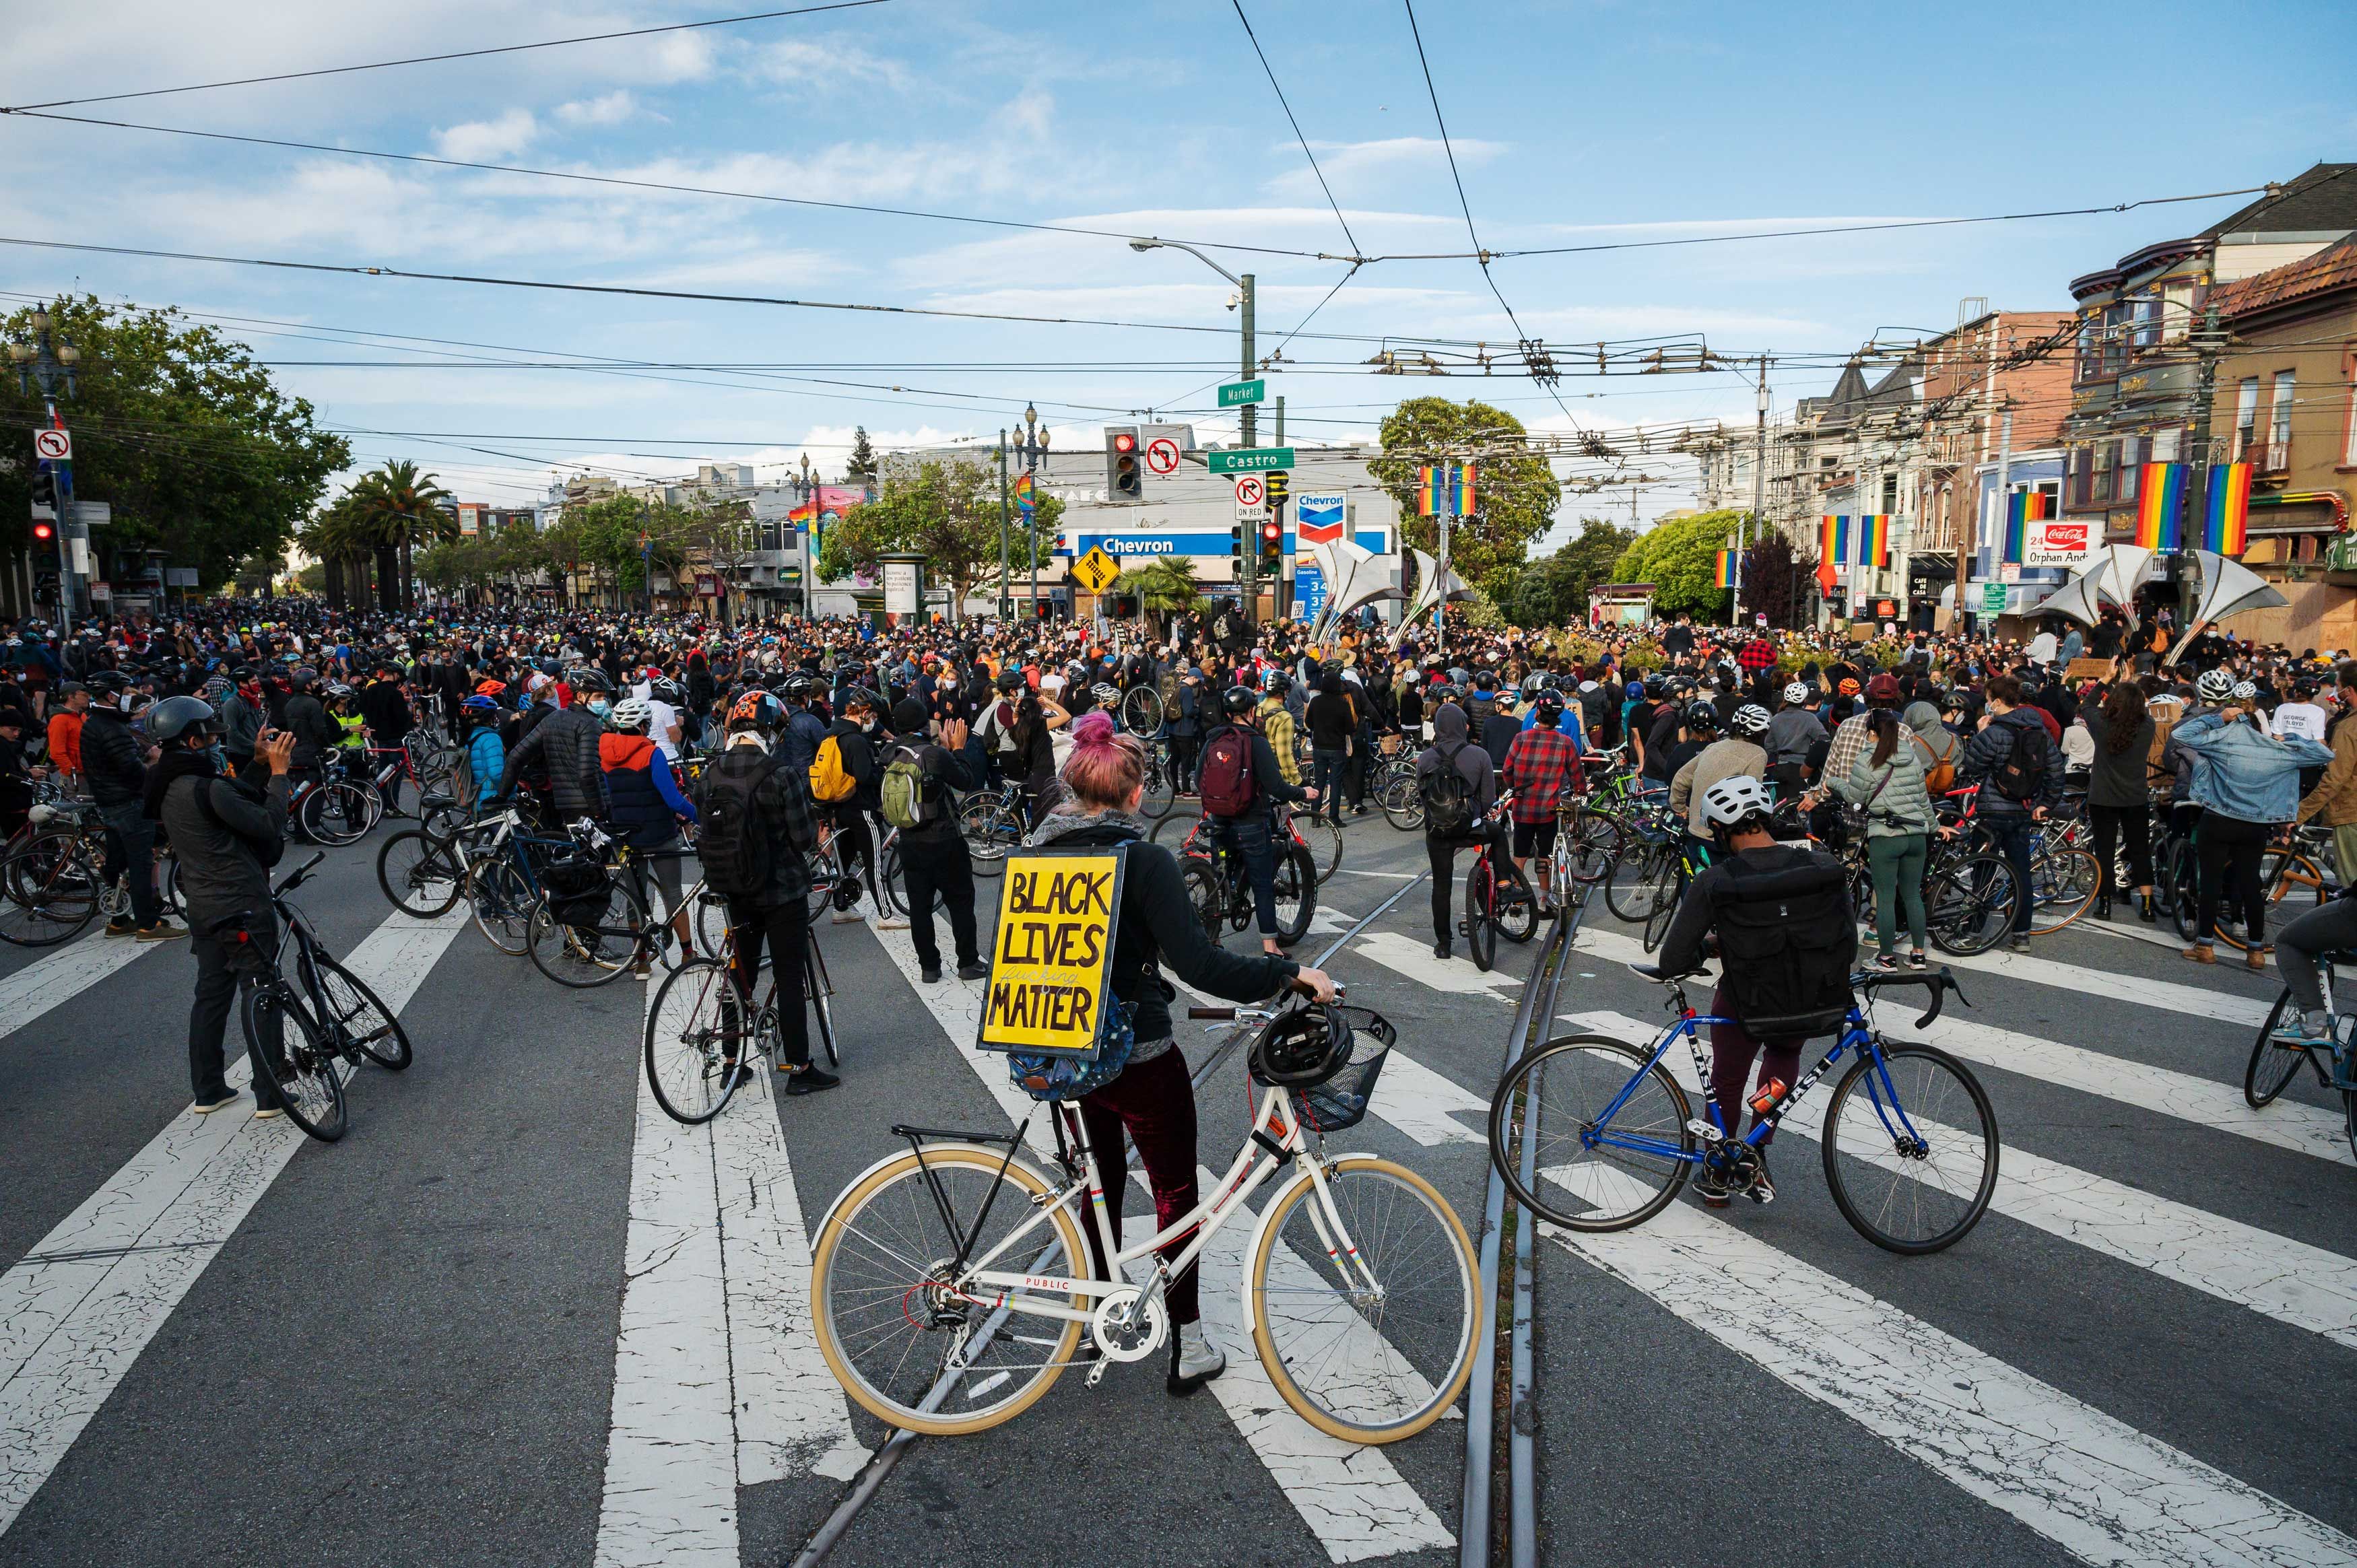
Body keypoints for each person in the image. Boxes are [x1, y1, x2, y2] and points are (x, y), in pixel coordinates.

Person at [1025, 709, 1337, 1394]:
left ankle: (1095, 1306)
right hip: (1134, 1049)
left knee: (1098, 1179)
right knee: (1173, 1191)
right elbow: (1198, 962)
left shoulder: (1039, 847)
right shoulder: (1142, 859)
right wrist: (1285, 973)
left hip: (1058, 1045)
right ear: (1136, 794)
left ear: (1073, 786)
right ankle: (1187, 1340)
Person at [1649, 775, 1856, 1206]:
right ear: (1765, 819)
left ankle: (1718, 1172)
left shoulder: (1717, 879)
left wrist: (1711, 946)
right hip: (1804, 995)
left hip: (1744, 998)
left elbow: (1672, 960)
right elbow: (1846, 941)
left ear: (1722, 832)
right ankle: (1756, 1149)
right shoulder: (1819, 864)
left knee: (1726, 1079)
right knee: (1781, 1066)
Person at [146, 696, 297, 1118]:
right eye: (210, 737)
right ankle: (271, 1094)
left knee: (211, 995)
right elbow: (265, 822)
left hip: (203, 904)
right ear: (193, 740)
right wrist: (280, 774)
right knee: (262, 990)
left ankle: (209, 1089)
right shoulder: (205, 785)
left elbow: (234, 802)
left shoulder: (168, 783)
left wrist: (257, 764)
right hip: (241, 902)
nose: (215, 744)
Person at [695, 691, 834, 1095]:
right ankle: (799, 1068)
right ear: (769, 730)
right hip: (782, 891)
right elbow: (804, 837)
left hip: (733, 888)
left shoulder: (711, 773)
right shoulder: (780, 773)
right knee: (790, 978)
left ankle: (730, 1063)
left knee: (740, 974)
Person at [2169, 685, 2332, 969]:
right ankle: (2256, 951)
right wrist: (2290, 738)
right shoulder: (2278, 751)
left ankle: (2205, 946)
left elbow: (2180, 735)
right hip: (2255, 825)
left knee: (2209, 883)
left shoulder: (2223, 743)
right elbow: (2324, 754)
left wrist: (2219, 718)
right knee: (2249, 885)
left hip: (2218, 819)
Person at [1196, 685, 1315, 957]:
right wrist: (1303, 792)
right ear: (1252, 712)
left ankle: (1213, 939)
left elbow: (1198, 779)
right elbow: (1277, 786)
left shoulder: (1213, 739)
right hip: (1251, 821)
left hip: (1219, 820)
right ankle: (1271, 947)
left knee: (1219, 875)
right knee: (1262, 883)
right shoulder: (1255, 742)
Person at [882, 695, 989, 984]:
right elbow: (965, 781)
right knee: (960, 902)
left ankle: (929, 967)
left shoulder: (889, 754)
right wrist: (958, 749)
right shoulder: (934, 755)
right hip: (944, 839)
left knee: (919, 907)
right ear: (924, 723)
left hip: (909, 841)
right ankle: (967, 962)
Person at [1954, 674, 2063, 953]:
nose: (1988, 705)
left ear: (1998, 702)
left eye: (1990, 700)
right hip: (2024, 810)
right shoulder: (2039, 731)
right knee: (2021, 871)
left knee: (1983, 871)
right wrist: (2046, 803)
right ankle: (2021, 934)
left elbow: (1973, 766)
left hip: (1992, 808)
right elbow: (2055, 771)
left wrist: (1979, 734)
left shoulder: (1994, 731)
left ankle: (1975, 930)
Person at [80, 677, 180, 941]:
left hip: (110, 801)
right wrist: (155, 763)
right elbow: (133, 772)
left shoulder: (96, 723)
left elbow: (120, 761)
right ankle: (148, 924)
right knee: (140, 864)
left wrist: (145, 756)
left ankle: (118, 920)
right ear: (112, 697)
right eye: (126, 693)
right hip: (128, 803)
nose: (130, 698)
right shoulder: (112, 728)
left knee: (117, 862)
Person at [600, 697, 697, 960]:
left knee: (635, 896)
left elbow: (608, 794)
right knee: (672, 892)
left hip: (625, 834)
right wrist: (697, 817)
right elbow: (673, 800)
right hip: (659, 834)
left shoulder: (606, 753)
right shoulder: (652, 754)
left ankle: (641, 959)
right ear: (643, 726)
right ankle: (688, 952)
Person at [1844, 708, 1934, 969]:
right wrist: (1934, 825)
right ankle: (1918, 955)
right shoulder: (1911, 757)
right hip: (1916, 834)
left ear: (1872, 733)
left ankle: (1886, 958)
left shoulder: (1868, 760)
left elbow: (1855, 797)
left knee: (1884, 898)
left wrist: (1836, 785)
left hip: (1886, 834)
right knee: (1912, 895)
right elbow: (1922, 798)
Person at [1416, 698, 1498, 961]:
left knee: (1441, 885)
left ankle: (1444, 943)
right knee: (1497, 834)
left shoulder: (1426, 758)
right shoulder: (1479, 755)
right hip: (1471, 827)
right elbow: (1488, 799)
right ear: (1463, 726)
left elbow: (1422, 797)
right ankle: (1505, 880)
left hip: (1438, 831)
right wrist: (1473, 815)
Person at [2082, 679, 2157, 921]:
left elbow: (2087, 705)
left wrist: (2104, 680)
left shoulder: (2101, 724)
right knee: (2140, 849)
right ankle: (2147, 904)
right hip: (2136, 796)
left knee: (2104, 850)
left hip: (2103, 796)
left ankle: (2104, 903)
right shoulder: (2147, 726)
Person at [1500, 691, 1581, 914]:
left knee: (1520, 855)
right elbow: (1577, 776)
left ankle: (1517, 901)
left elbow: (1507, 771)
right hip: (1550, 810)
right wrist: (1580, 790)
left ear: (1536, 713)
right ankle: (1544, 903)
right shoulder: (1565, 743)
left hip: (1523, 807)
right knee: (1545, 857)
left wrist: (1515, 787)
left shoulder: (1521, 739)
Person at [1671, 703, 1770, 849]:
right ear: (1762, 734)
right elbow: (1752, 801)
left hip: (1696, 829)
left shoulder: (1713, 747)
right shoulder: (1757, 754)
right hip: (1724, 836)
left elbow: (1681, 779)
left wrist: (1680, 808)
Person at [2298, 662, 2357, 883]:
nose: (2336, 691)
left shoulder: (2348, 728)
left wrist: (2301, 812)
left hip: (2351, 812)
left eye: (2339, 685)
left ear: (2349, 691)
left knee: (2352, 886)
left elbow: (2335, 779)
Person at [44, 681, 86, 796]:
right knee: (76, 811)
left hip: (87, 772)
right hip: (75, 777)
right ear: (71, 697)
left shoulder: (82, 715)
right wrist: (72, 772)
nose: (89, 697)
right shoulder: (59, 720)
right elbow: (57, 752)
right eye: (84, 695)